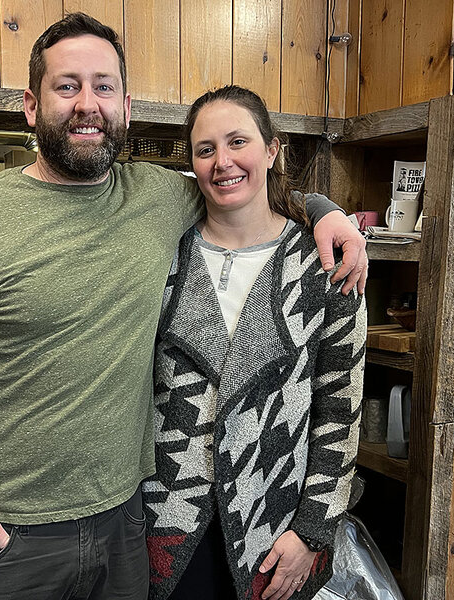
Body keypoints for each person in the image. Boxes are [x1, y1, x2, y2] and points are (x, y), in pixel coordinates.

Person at [0, 13, 367, 600]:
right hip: (9, 533)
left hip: (127, 523)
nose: (87, 103)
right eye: (67, 86)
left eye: (103, 86)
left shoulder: (160, 196)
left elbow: (245, 189)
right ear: (32, 106)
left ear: (126, 106)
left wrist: (326, 212)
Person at [142, 86, 366, 600]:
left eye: (237, 142)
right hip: (166, 518)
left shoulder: (325, 263)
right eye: (205, 150)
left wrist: (313, 529)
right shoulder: (161, 254)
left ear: (271, 149)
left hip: (276, 520)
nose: (223, 162)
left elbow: (340, 405)